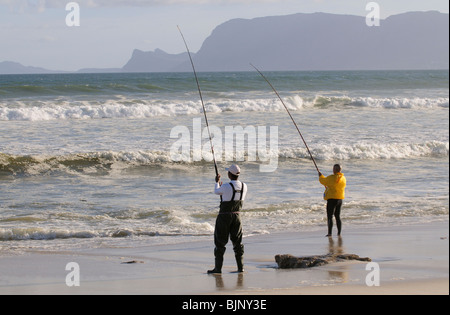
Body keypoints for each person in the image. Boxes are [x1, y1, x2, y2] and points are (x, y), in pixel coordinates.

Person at [208, 164, 247, 274]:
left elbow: (217, 192)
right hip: (237, 217)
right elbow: (228, 194)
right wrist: (222, 188)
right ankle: (241, 267)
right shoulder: (244, 186)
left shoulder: (225, 186)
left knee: (220, 243)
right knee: (238, 243)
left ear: (230, 174)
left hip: (224, 217)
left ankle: (218, 269)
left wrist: (217, 182)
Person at [319, 164, 346, 237]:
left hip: (331, 200)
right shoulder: (343, 178)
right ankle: (339, 233)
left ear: (334, 169)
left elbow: (323, 181)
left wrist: (320, 176)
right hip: (339, 199)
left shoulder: (331, 177)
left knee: (330, 216)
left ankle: (330, 233)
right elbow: (331, 183)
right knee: (337, 216)